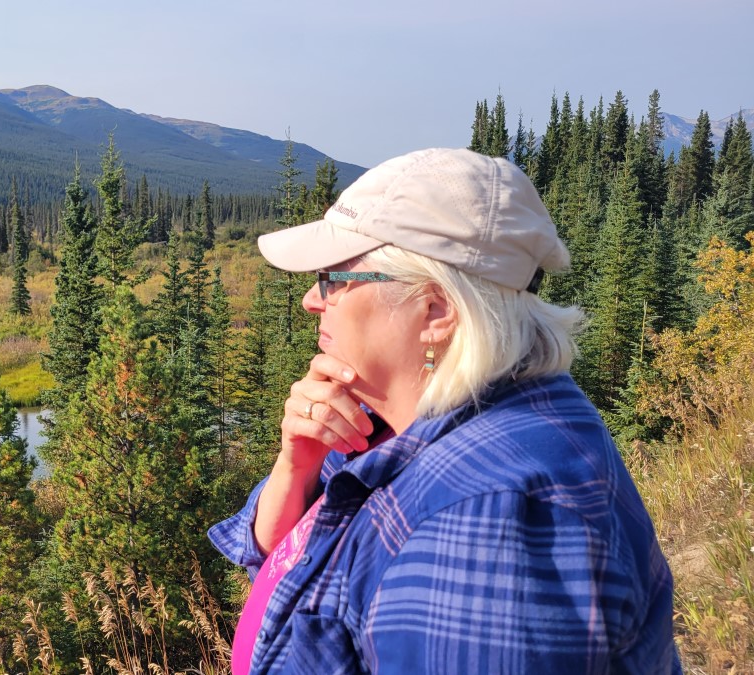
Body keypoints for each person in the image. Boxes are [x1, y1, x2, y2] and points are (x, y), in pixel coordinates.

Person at [209, 148, 680, 674]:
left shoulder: (490, 534)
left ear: (435, 309)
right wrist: (297, 468)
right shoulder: (403, 423)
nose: (311, 300)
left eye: (334, 278)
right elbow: (284, 566)